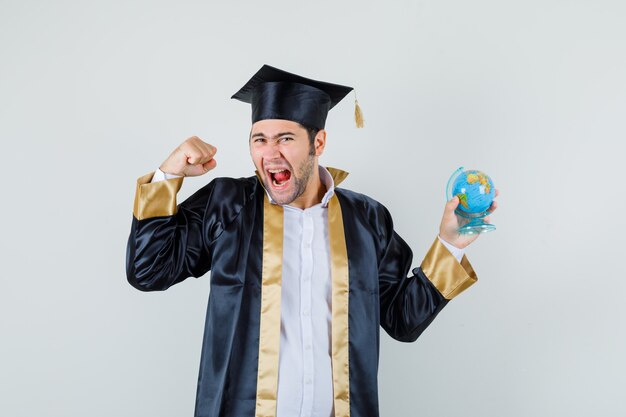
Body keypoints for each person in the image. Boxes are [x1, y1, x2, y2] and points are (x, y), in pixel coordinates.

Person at [126, 64, 497, 417]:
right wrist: (168, 173)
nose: (270, 153)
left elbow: (402, 320)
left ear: (318, 141)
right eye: (259, 139)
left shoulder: (366, 220)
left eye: (285, 138)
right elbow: (148, 270)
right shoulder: (227, 206)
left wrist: (450, 243)